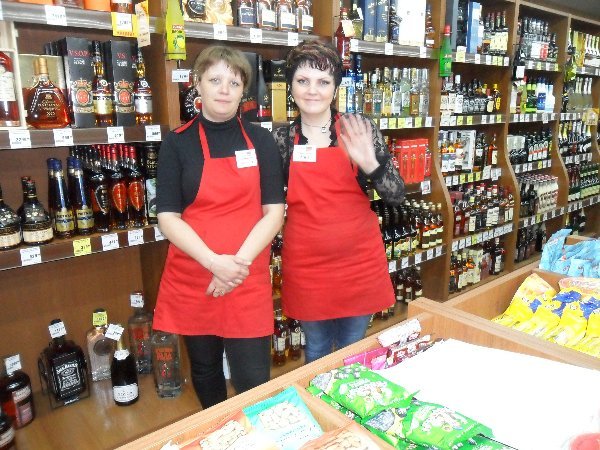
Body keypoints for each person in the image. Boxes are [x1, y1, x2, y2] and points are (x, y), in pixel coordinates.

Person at [153, 45, 285, 408]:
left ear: (244, 91)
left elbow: (274, 213)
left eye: (234, 82)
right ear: (197, 83)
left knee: (253, 379)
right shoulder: (177, 143)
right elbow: (168, 217)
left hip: (245, 276)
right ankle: (219, 430)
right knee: (205, 369)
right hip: (196, 274)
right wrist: (215, 263)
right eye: (215, 80)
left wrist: (234, 267)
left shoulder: (261, 141)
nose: (224, 90)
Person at [273, 40, 405, 363]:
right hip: (306, 267)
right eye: (303, 80)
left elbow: (396, 195)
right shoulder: (281, 139)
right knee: (316, 351)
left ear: (335, 88)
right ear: (290, 86)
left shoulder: (358, 129)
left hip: (359, 264)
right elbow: (270, 206)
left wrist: (371, 163)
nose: (312, 90)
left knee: (352, 352)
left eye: (323, 81)